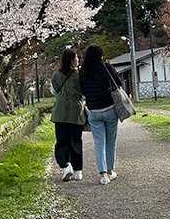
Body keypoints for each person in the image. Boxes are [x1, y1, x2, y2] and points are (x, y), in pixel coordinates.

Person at [78, 45, 122, 185]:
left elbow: (82, 90)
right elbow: (119, 83)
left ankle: (103, 175)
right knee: (110, 142)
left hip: (94, 112)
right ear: (100, 55)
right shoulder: (106, 68)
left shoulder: (83, 72)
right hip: (109, 109)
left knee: (99, 144)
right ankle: (110, 171)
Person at [50, 48, 85, 182]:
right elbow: (85, 90)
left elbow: (54, 91)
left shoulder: (56, 75)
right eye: (76, 58)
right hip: (76, 112)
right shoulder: (80, 75)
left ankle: (66, 165)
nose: (78, 60)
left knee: (62, 141)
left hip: (60, 111)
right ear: (72, 60)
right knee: (75, 141)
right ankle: (78, 171)